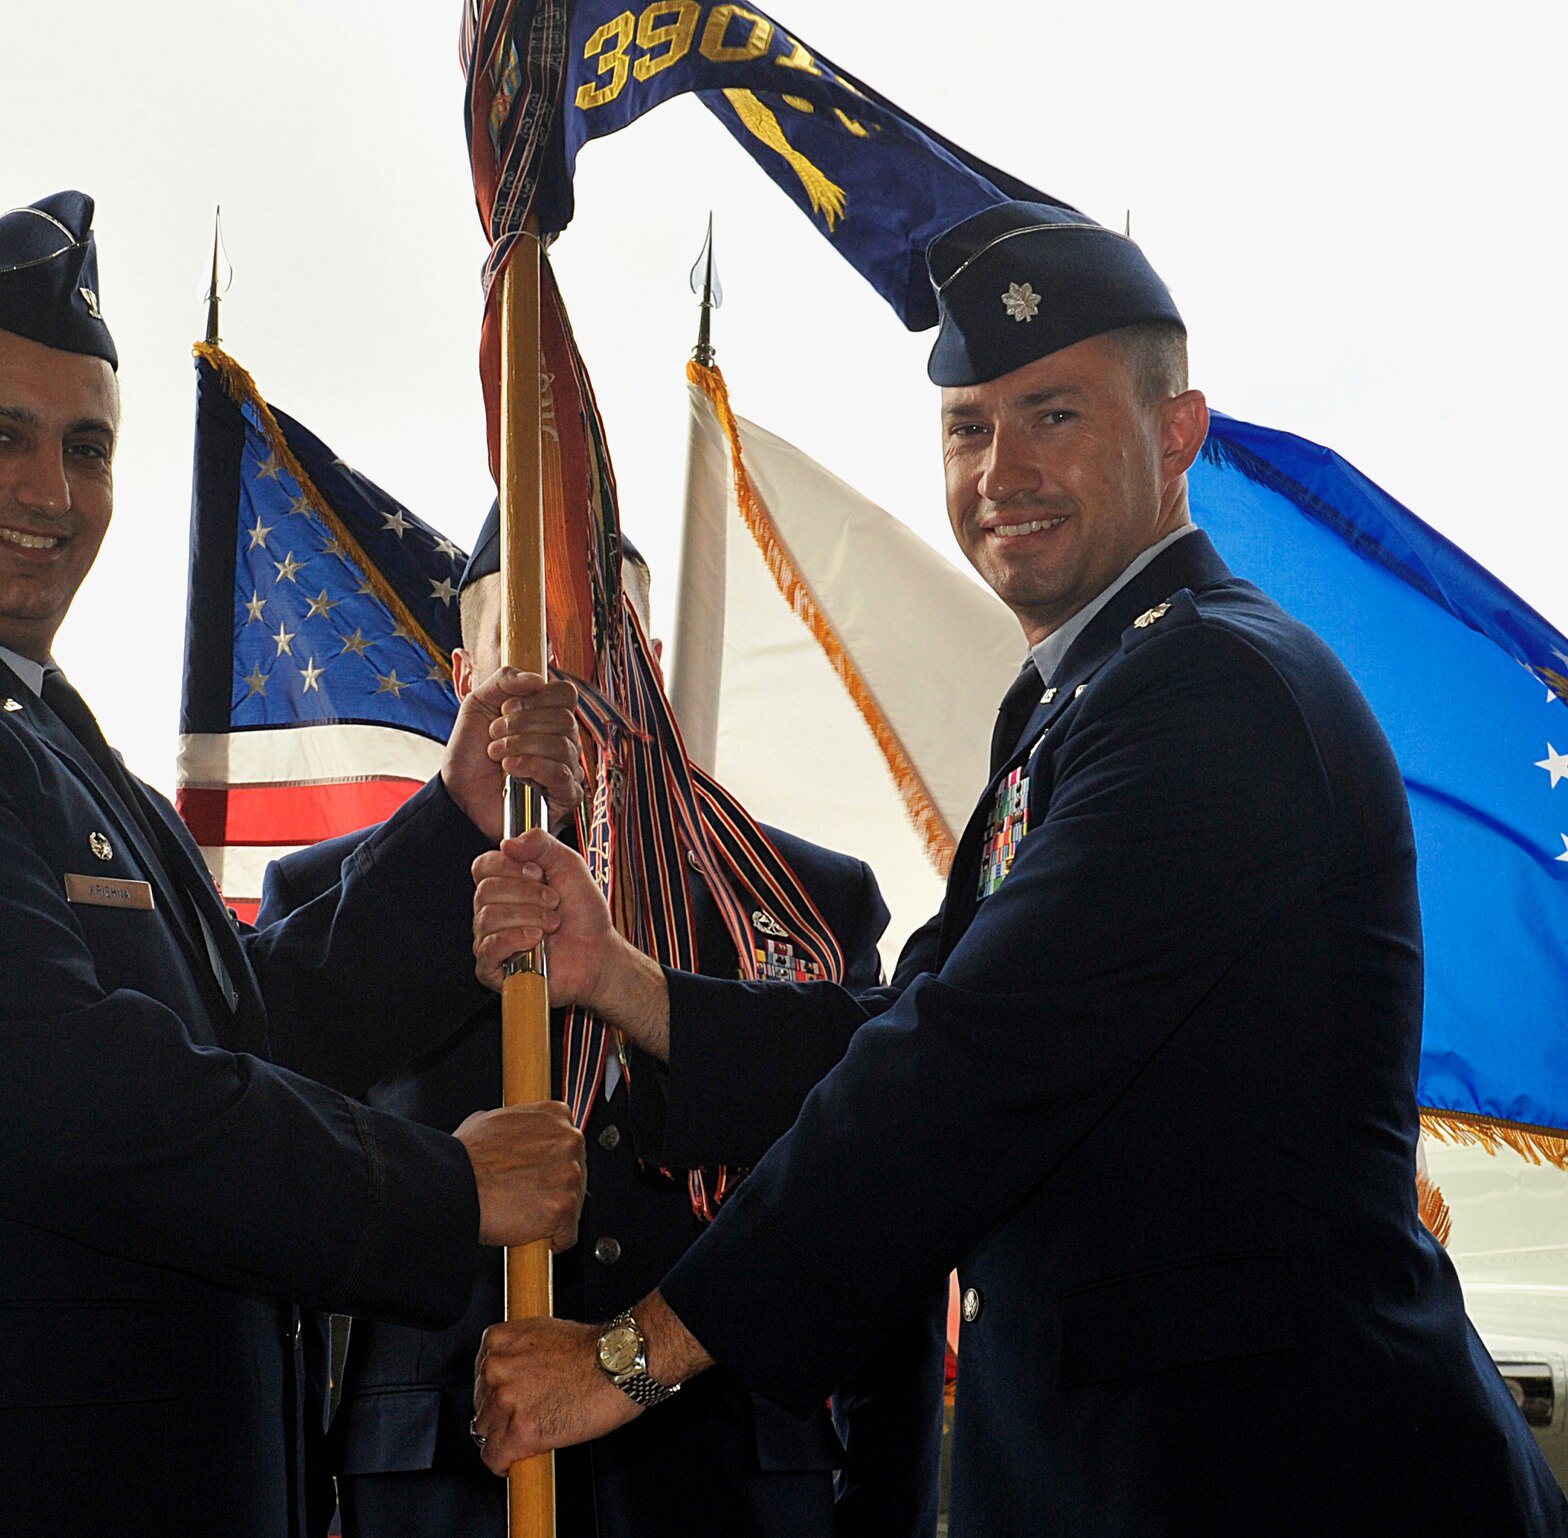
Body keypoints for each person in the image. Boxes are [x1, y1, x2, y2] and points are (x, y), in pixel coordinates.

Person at [469, 200, 1568, 1536]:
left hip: (1286, 1474)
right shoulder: (1081, 699)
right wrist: (628, 980)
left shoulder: (1212, 693)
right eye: (967, 427)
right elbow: (912, 1021)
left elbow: (965, 1064)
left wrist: (628, 1357)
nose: (1002, 470)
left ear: (1177, 435)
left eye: (1054, 414)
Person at [0, 192, 590, 1538]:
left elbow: (240, 1025)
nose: (52, 493)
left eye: (87, 447)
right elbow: (66, 1100)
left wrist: (456, 821)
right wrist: (437, 1190)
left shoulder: (27, 726)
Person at [258, 518, 945, 1536]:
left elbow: (878, 1204)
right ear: (461, 674)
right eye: (518, 650)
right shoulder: (336, 897)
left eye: (587, 646)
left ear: (648, 662)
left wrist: (885, 1503)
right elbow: (275, 1198)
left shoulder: (800, 897)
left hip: (727, 1482)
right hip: (439, 1485)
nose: (554, 685)